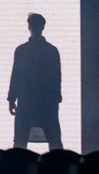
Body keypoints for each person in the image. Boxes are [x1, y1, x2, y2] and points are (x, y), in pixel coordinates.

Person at [8, 12, 63, 150]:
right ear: (43, 27)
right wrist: (56, 98)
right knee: (54, 141)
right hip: (47, 102)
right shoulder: (52, 50)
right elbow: (56, 77)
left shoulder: (22, 50)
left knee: (20, 142)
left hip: (26, 100)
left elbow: (16, 75)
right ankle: (59, 163)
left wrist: (11, 98)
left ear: (29, 27)